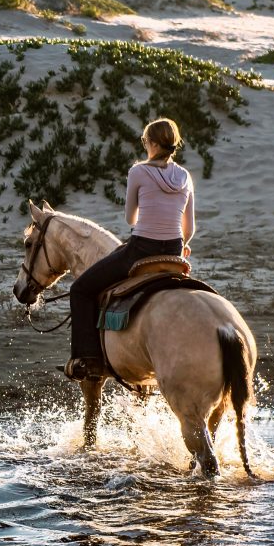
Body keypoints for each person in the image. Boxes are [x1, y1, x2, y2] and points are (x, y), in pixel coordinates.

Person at [64, 117, 195, 381]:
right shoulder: (184, 176)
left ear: (153, 144)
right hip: (173, 252)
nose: (145, 145)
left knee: (80, 289)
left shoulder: (138, 172)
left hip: (141, 250)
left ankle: (87, 359)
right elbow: (189, 228)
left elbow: (130, 218)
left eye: (145, 141)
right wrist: (181, 244)